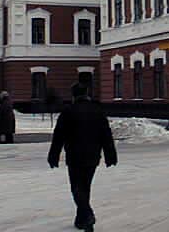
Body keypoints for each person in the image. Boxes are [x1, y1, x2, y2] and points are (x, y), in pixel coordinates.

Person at [48, 83, 117, 231]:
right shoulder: (97, 111)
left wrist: (53, 155)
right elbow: (106, 134)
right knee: (85, 186)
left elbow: (58, 136)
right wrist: (110, 154)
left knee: (77, 187)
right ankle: (81, 219)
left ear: (73, 95)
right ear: (87, 93)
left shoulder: (68, 111)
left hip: (74, 156)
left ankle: (87, 215)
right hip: (93, 155)